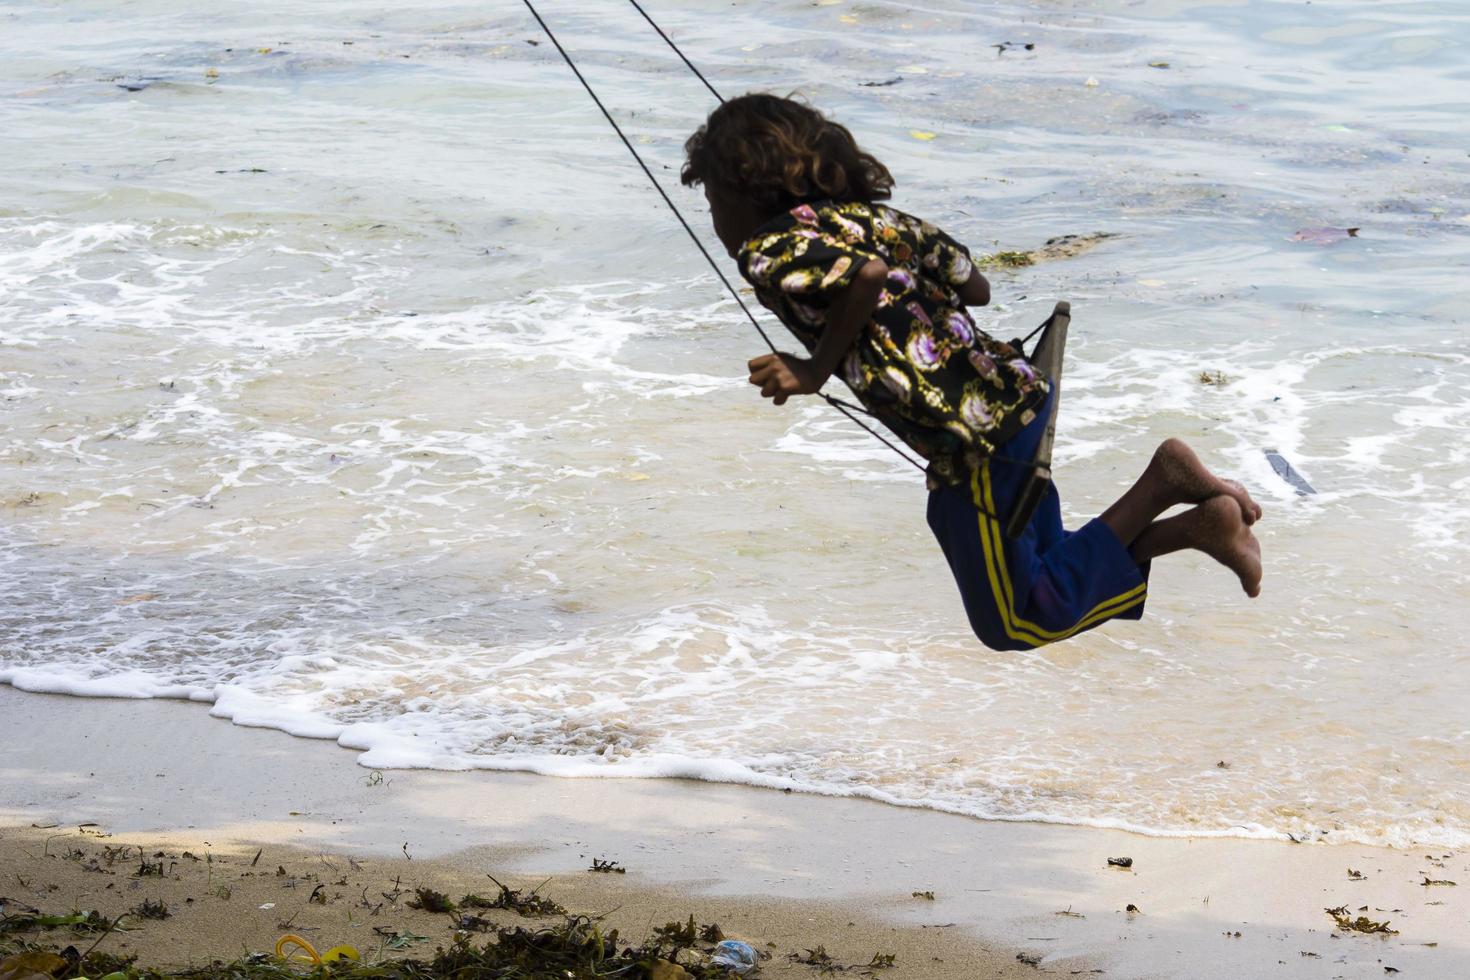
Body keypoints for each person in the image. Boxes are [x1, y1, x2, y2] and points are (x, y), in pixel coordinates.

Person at [680, 93, 1263, 651]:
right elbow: (974, 286)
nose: (715, 222)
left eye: (712, 205)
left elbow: (865, 277)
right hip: (1016, 397)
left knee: (1016, 619)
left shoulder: (767, 249)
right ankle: (1200, 527)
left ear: (744, 193)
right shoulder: (875, 220)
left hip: (976, 440)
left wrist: (814, 370)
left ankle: (1164, 481)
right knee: (1038, 567)